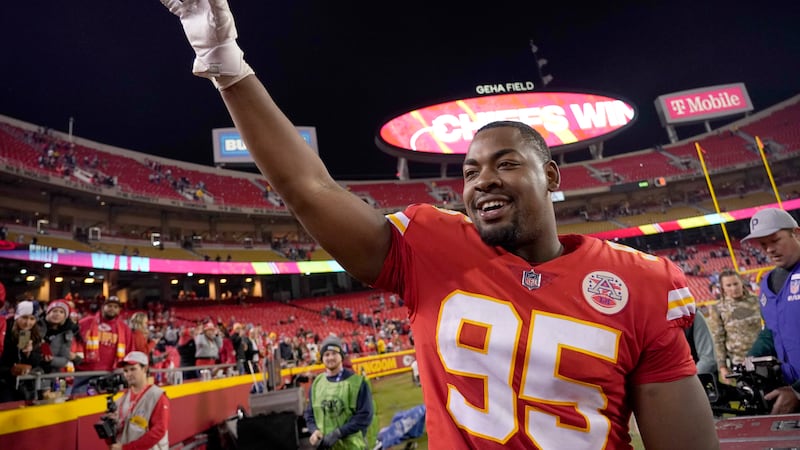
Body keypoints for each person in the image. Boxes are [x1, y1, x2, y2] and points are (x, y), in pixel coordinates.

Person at [159, 1, 719, 447]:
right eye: (471, 171)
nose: (483, 181)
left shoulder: (641, 281)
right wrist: (227, 65)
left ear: (550, 175)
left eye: (506, 164)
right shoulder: (430, 245)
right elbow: (311, 189)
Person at [740, 207, 800, 414]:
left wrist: (798, 391)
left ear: (796, 233)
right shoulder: (768, 282)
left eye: (775, 240)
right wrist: (751, 359)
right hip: (787, 391)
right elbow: (772, 331)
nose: (769, 250)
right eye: (763, 244)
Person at [304, 336, 374, 450]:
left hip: (352, 447)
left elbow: (365, 415)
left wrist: (339, 433)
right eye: (326, 354)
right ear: (322, 358)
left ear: (341, 356)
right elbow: (309, 414)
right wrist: (314, 430)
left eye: (334, 353)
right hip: (325, 447)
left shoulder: (357, 383)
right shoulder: (317, 384)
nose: (330, 357)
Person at [104, 351, 170, 450]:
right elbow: (117, 434)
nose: (128, 374)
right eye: (125, 370)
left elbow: (158, 431)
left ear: (145, 369)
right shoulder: (121, 400)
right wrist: (109, 428)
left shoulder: (157, 396)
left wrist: (126, 448)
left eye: (133, 369)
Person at [707, 269, 762, 384]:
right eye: (729, 285)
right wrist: (722, 367)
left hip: (762, 356)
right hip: (739, 361)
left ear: (742, 283)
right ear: (723, 288)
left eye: (736, 283)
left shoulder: (757, 301)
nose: (733, 288)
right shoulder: (718, 308)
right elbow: (718, 339)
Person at [74, 296, 134, 394]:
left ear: (119, 310)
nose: (112, 309)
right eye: (109, 306)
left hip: (110, 373)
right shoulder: (85, 323)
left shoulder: (125, 329)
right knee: (79, 400)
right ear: (103, 307)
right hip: (85, 372)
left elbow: (130, 351)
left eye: (115, 307)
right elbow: (73, 341)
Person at [0, 301, 44, 402]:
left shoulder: (36, 335)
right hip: (5, 384)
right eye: (24, 317)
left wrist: (29, 354)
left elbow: (37, 362)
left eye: (32, 319)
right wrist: (10, 370)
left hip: (25, 385)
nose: (28, 323)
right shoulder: (4, 332)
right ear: (17, 317)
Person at [41, 299, 84, 374]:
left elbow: (64, 359)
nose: (57, 314)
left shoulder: (67, 333)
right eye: (54, 311)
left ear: (65, 316)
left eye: (61, 312)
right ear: (48, 312)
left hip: (52, 374)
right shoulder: (37, 327)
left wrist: (52, 360)